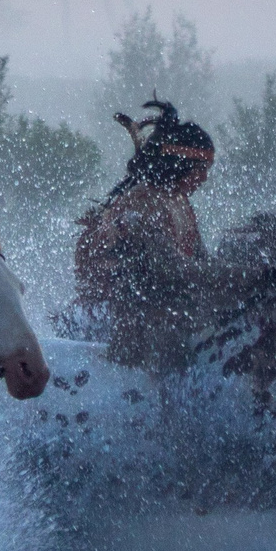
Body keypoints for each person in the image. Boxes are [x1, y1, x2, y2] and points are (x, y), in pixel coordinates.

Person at [72, 100, 216, 370]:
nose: (204, 179)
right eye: (201, 170)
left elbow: (202, 262)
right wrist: (249, 277)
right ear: (180, 164)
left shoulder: (179, 201)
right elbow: (174, 270)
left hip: (162, 307)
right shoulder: (141, 202)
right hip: (125, 317)